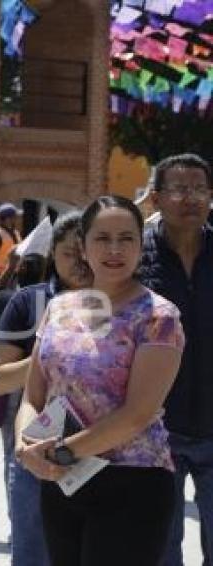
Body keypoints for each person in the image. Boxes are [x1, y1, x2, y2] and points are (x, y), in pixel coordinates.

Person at [16, 195, 185, 566]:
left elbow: (138, 414)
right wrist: (24, 446)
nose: (114, 249)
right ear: (84, 245)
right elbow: (33, 395)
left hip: (132, 482)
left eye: (126, 238)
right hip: (62, 480)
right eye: (102, 238)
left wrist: (62, 453)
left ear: (141, 245)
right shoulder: (59, 307)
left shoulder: (159, 316)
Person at [0, 211, 92, 566]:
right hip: (34, 438)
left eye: (86, 251)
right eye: (68, 253)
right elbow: (0, 379)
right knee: (33, 548)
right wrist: (50, 349)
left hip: (101, 445)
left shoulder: (124, 304)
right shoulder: (26, 302)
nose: (79, 261)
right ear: (52, 256)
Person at [136, 153, 213, 566]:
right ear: (156, 198)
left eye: (200, 189)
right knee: (160, 550)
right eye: (180, 189)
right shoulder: (133, 259)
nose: (192, 199)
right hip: (153, 431)